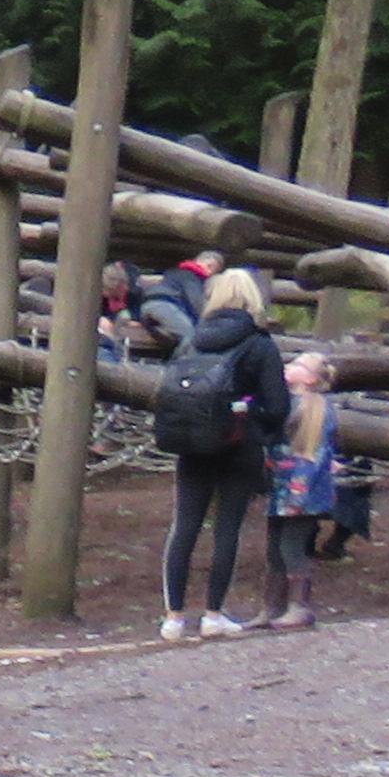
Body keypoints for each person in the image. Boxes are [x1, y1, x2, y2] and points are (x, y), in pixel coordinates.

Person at [148, 265, 289, 640]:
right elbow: (278, 405)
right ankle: (213, 614)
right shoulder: (259, 344)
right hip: (239, 444)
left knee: (184, 526)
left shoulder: (191, 340)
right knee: (228, 528)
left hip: (191, 443)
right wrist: (257, 426)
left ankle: (173, 617)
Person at [260, 352, 341, 629]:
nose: (288, 366)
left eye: (297, 364)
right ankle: (271, 607)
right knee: (274, 548)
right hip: (279, 487)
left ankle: (299, 607)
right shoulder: (283, 401)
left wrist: (299, 492)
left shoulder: (317, 410)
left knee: (291, 547)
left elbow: (315, 457)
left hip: (302, 491)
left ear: (310, 378)